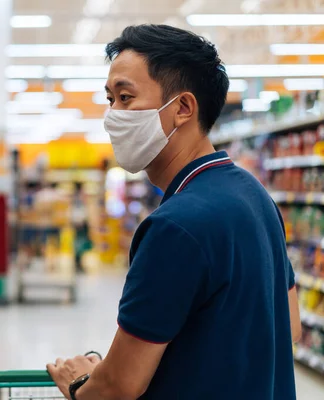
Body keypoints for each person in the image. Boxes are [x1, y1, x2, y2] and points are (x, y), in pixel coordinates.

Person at [47, 24, 301, 400]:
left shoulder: (175, 227)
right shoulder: (256, 196)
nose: (112, 115)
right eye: (109, 99)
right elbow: (290, 327)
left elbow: (119, 385)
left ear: (182, 108)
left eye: (125, 97)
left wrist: (80, 384)